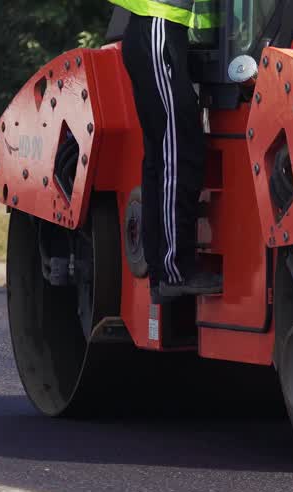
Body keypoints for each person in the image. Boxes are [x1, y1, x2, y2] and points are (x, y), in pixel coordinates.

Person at [110, 0, 223, 303]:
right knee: (178, 152)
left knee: (164, 154)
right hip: (159, 27)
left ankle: (163, 272)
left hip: (157, 29)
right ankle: (175, 271)